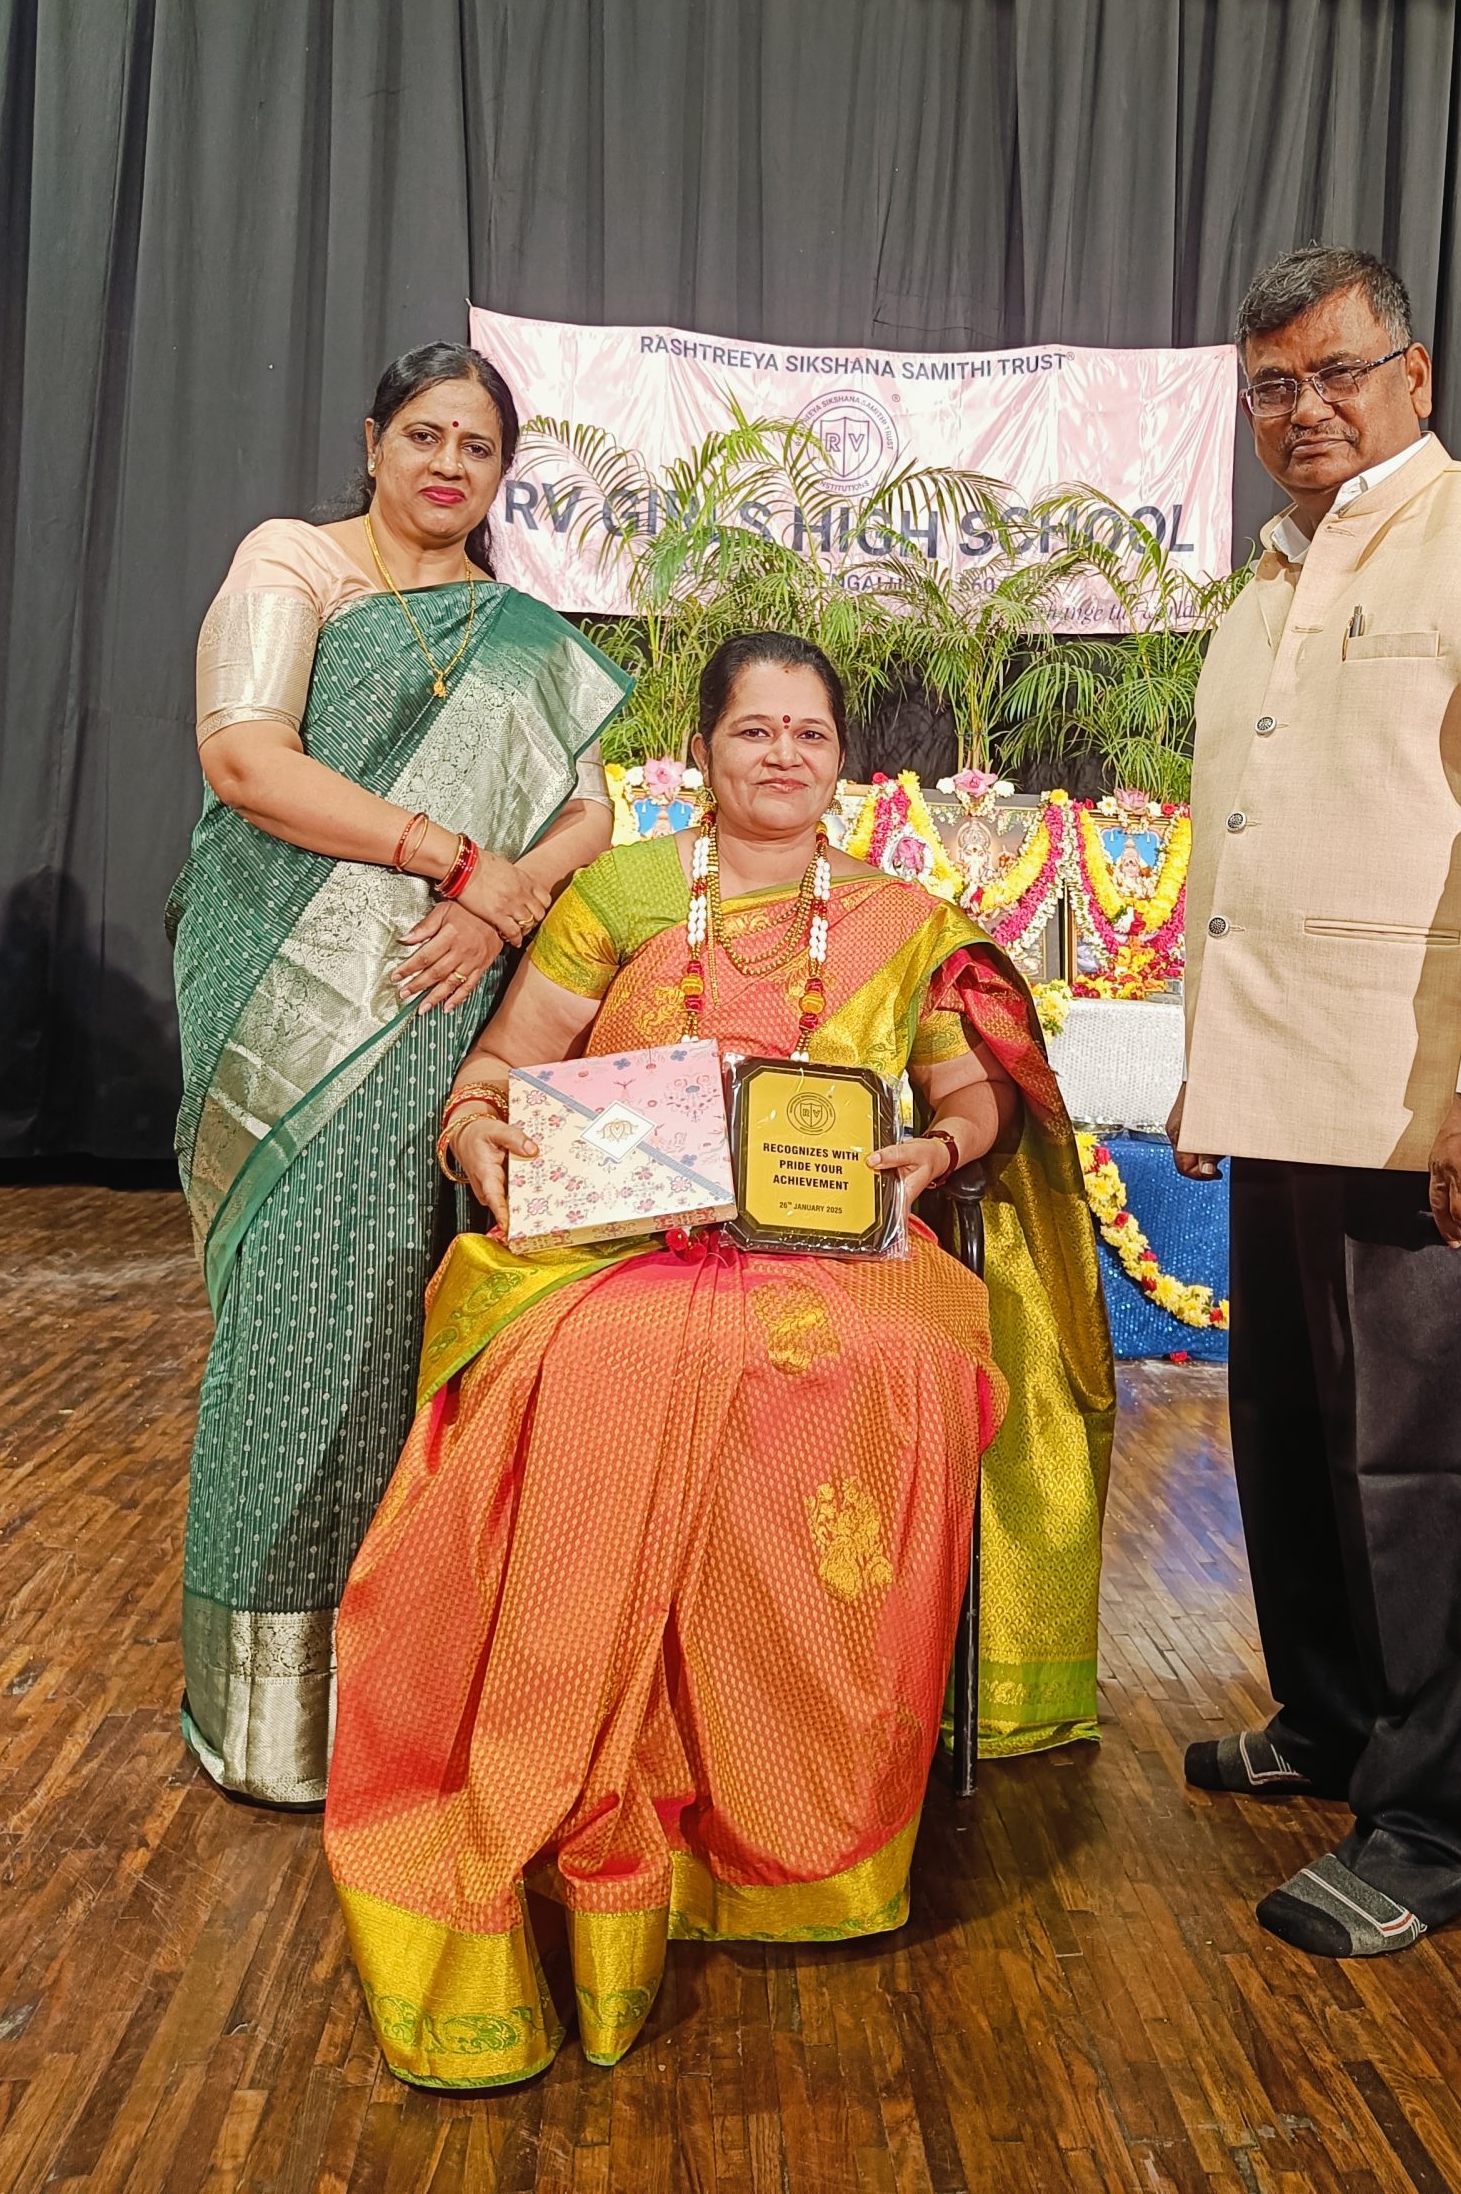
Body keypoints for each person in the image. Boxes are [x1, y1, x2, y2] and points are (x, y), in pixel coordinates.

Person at [322, 632, 1112, 2084]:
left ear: (843, 762)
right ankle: (584, 1772)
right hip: (617, 1241)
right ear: (705, 752)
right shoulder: (623, 895)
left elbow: (972, 1100)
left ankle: (798, 1810)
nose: (783, 756)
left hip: (840, 1251)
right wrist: (481, 1132)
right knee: (601, 1361)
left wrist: (933, 1153)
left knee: (870, 1371)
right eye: (755, 731)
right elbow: (501, 1064)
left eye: (810, 734)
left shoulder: (904, 921)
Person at [1168, 246, 1461, 1958]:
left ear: (1414, 377)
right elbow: (1243, 854)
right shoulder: (1265, 580)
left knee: (1426, 1463)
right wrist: (1211, 1067)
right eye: (1274, 385)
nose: (1308, 408)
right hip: (1285, 1084)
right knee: (1289, 1433)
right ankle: (1330, 1722)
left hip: (1435, 1096)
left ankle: (1427, 1825)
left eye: (1340, 371)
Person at [170, 341, 627, 1807]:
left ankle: (399, 1693)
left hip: (442, 991)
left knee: (405, 1309)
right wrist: (453, 856)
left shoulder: (517, 631)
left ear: (501, 475)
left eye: (478, 448)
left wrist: (500, 899)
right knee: (295, 1314)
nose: (448, 465)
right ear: (372, 441)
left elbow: (587, 815)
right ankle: (269, 1718)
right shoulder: (295, 562)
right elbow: (247, 761)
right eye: (425, 435)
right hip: (282, 984)